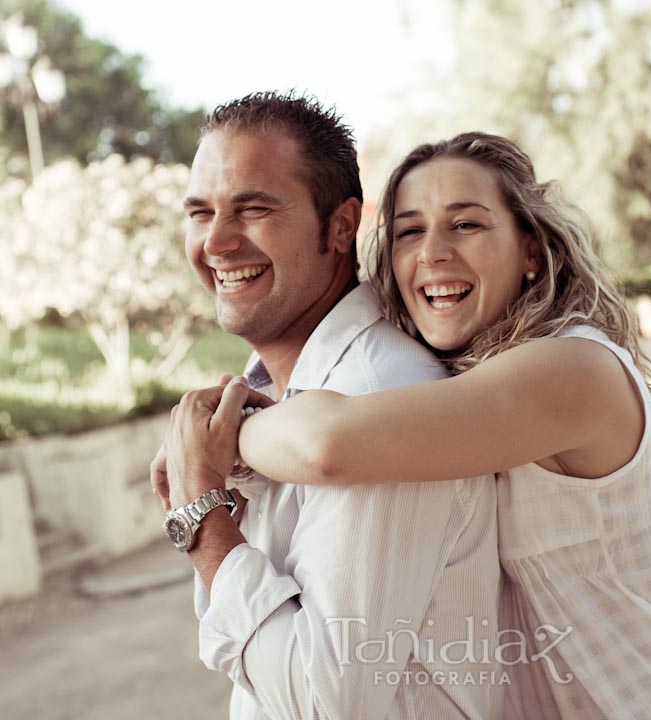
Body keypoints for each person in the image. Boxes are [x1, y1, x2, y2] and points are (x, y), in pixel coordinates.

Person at [223, 132, 651, 719]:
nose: (432, 251)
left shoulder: (570, 369)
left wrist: (214, 442)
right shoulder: (457, 384)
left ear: (531, 249)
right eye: (409, 231)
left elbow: (328, 443)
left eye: (466, 224)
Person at [151, 95, 501, 720]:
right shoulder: (274, 402)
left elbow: (328, 702)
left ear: (342, 226)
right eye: (200, 213)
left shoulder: (380, 397)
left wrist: (199, 515)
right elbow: (247, 649)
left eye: (253, 209)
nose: (217, 242)